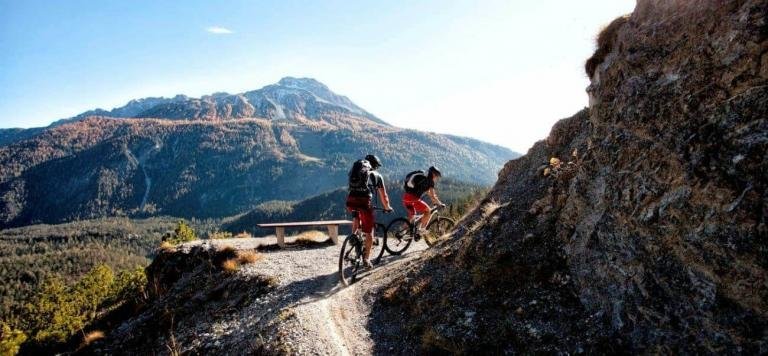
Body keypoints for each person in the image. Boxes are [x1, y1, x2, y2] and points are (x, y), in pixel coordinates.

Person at [345, 154, 393, 268]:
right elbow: (384, 196)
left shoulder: (356, 170)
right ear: (375, 165)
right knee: (369, 231)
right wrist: (387, 207)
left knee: (356, 216)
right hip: (364, 201)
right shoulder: (377, 175)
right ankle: (366, 260)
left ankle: (354, 237)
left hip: (351, 199)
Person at [402, 166, 445, 238]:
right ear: (433, 174)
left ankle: (402, 233)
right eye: (437, 176)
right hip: (413, 199)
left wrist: (434, 200)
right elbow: (432, 195)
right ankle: (421, 230)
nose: (436, 178)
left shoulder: (424, 177)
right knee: (428, 211)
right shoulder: (430, 182)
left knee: (412, 216)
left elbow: (429, 194)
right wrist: (439, 203)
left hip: (405, 198)